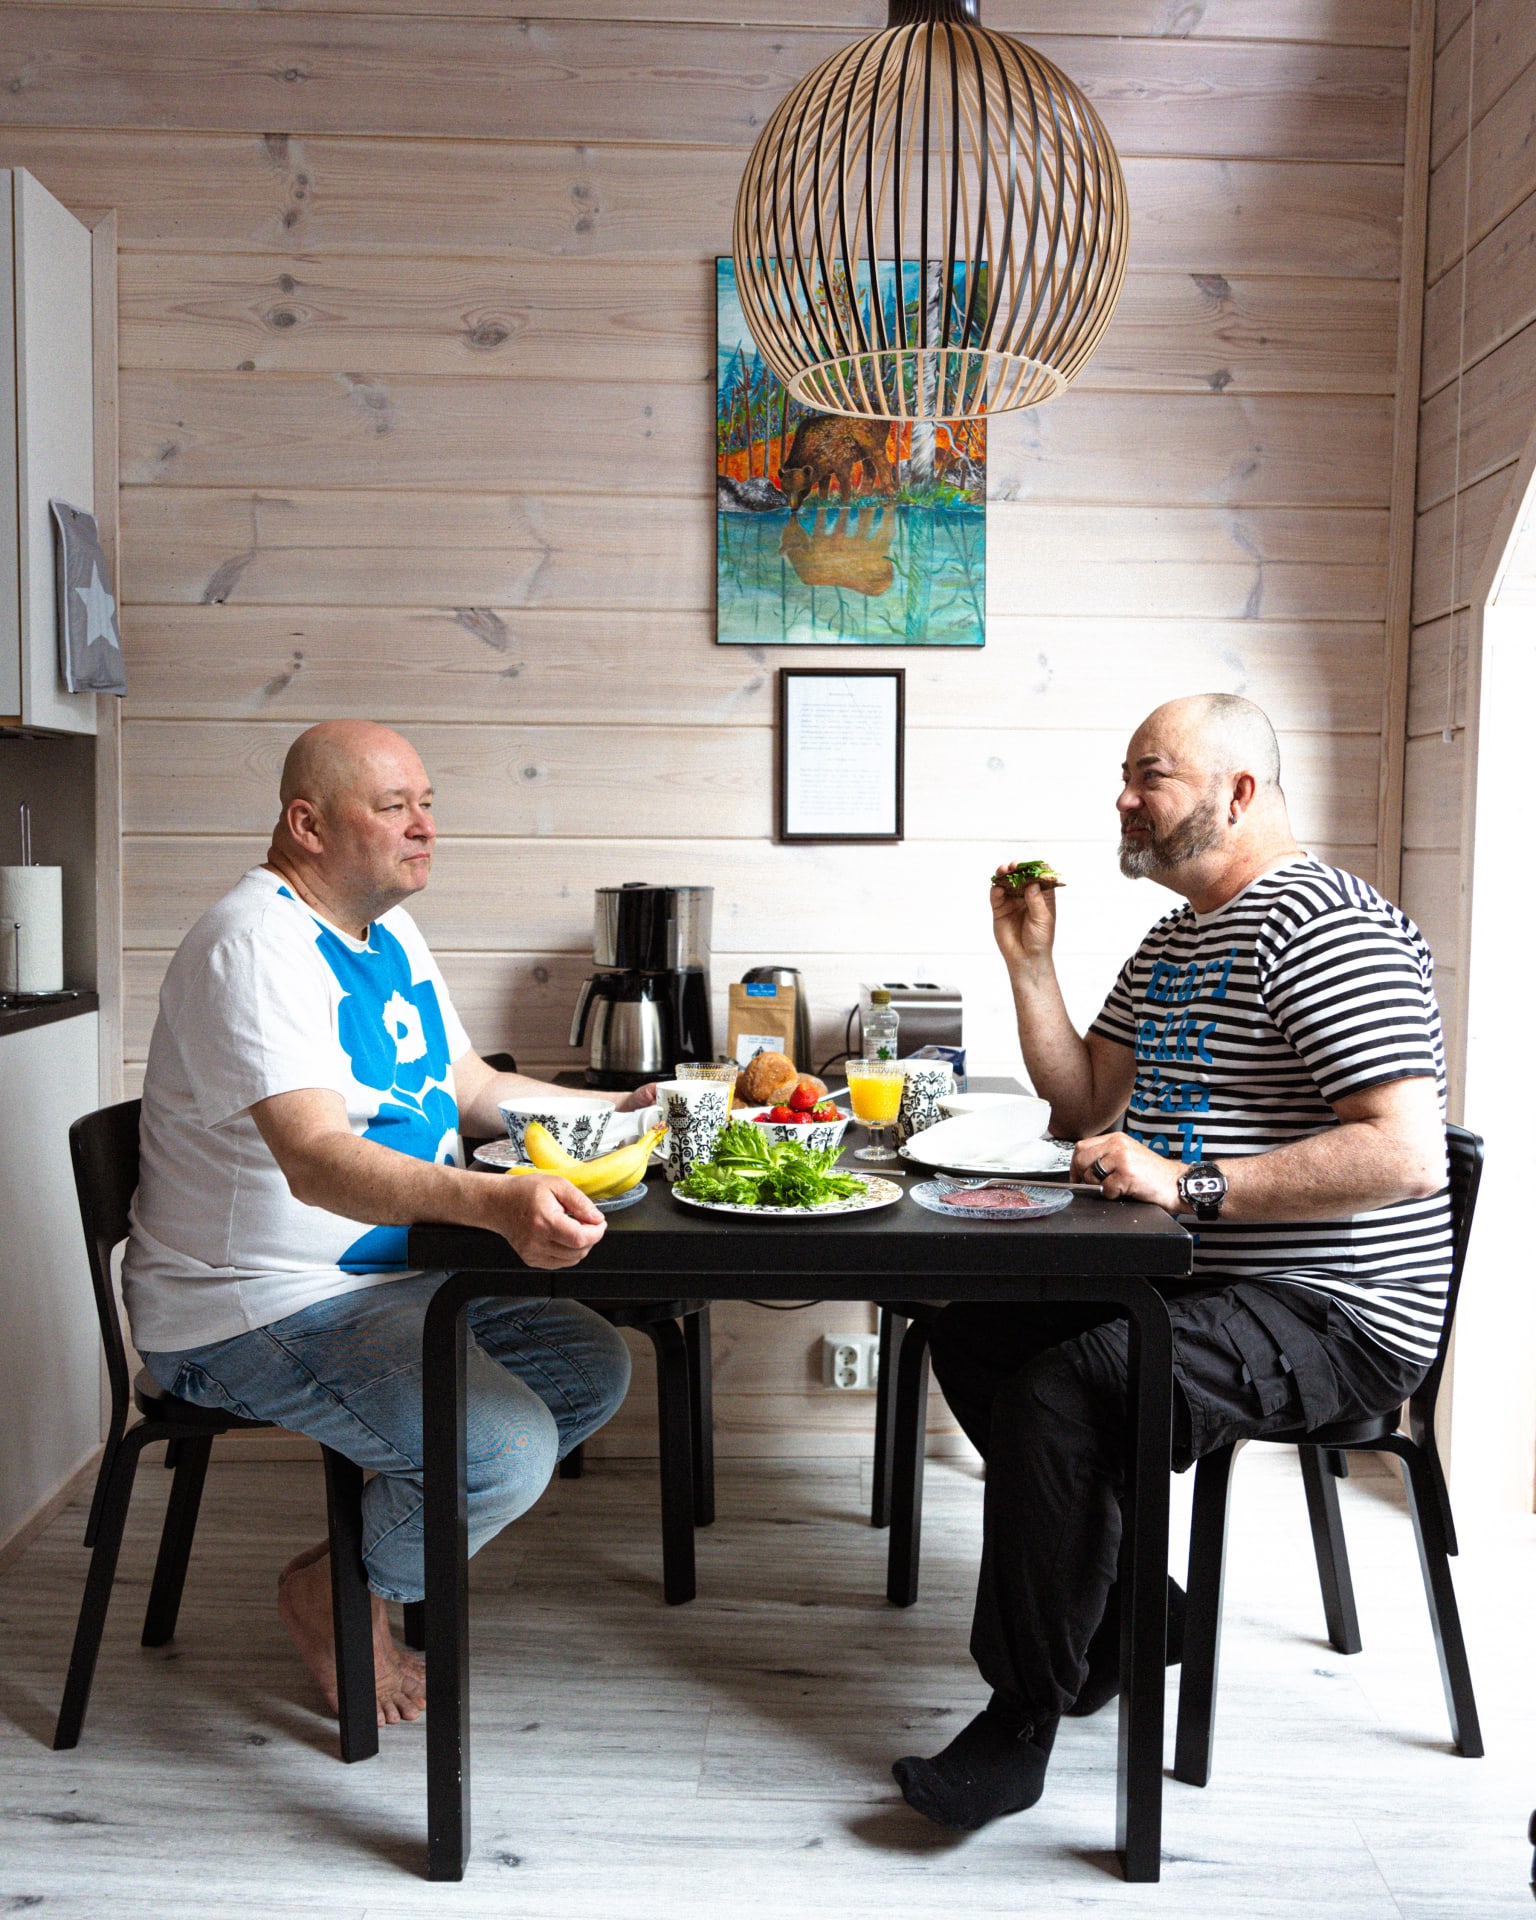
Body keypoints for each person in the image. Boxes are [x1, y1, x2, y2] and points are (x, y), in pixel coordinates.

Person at [893, 693, 1452, 1831]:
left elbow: (1406, 1153)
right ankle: (1135, 1617)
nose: (1125, 798)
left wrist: (1192, 1185)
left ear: (1238, 792)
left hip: (1336, 1309)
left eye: (1151, 775)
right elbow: (1083, 1102)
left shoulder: (1325, 927)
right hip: (1204, 1279)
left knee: (1068, 1385)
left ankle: (1022, 1717)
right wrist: (1030, 964)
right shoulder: (1181, 937)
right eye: (1127, 775)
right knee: (972, 1328)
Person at [123, 720, 650, 1727]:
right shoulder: (253, 944)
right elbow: (316, 1160)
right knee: (501, 1452)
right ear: (307, 824)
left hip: (381, 1284)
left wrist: (616, 1113)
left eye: (429, 803)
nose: (424, 828)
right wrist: (492, 1204)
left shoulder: (385, 934)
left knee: (590, 1366)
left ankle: (344, 1566)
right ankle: (343, 1596)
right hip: (254, 1310)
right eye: (395, 806)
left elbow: (472, 1085)